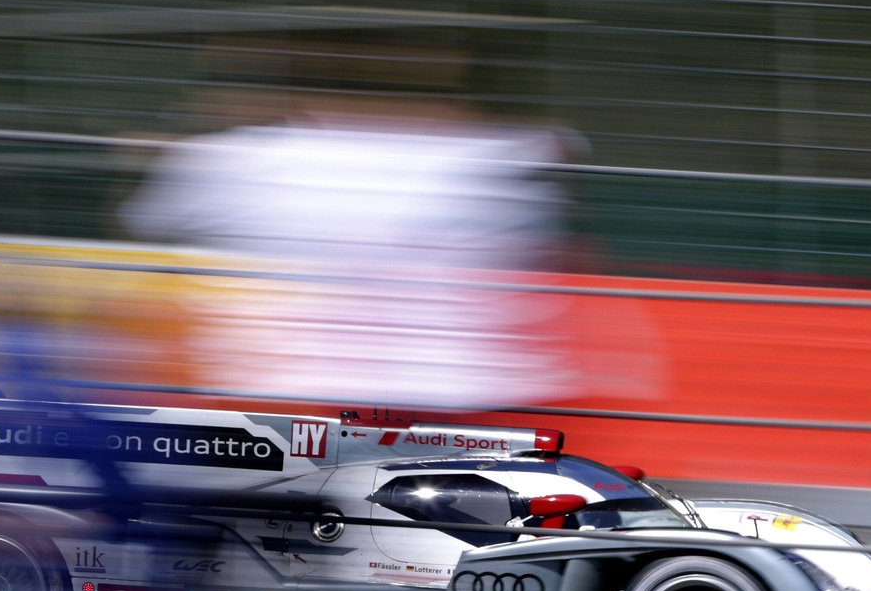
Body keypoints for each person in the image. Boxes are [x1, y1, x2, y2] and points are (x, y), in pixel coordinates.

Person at [122, 40, 578, 413]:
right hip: (444, 394)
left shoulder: (231, 161)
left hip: (290, 396)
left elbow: (144, 224)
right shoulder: (496, 159)